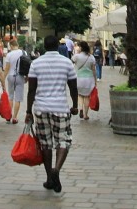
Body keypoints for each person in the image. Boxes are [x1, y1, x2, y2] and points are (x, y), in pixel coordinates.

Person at [26, 35, 79, 194]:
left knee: (45, 143)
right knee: (64, 140)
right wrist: (75, 105)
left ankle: (50, 178)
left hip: (41, 108)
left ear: (44, 46)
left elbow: (31, 90)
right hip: (60, 108)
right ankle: (56, 169)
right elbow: (73, 86)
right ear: (58, 46)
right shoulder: (67, 62)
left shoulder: (36, 63)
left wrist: (28, 111)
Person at [72, 40, 98, 120]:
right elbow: (94, 70)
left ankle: (81, 109)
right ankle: (85, 115)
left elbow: (72, 62)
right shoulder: (91, 57)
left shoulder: (76, 56)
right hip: (89, 79)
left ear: (81, 47)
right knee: (87, 96)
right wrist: (95, 80)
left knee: (80, 95)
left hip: (79, 78)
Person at [4, 38, 27, 124]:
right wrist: (27, 77)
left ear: (11, 46)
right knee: (18, 98)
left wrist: (3, 78)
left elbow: (7, 68)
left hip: (11, 76)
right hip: (20, 76)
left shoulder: (9, 55)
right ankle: (15, 117)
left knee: (10, 96)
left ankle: (8, 116)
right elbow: (27, 66)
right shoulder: (24, 53)